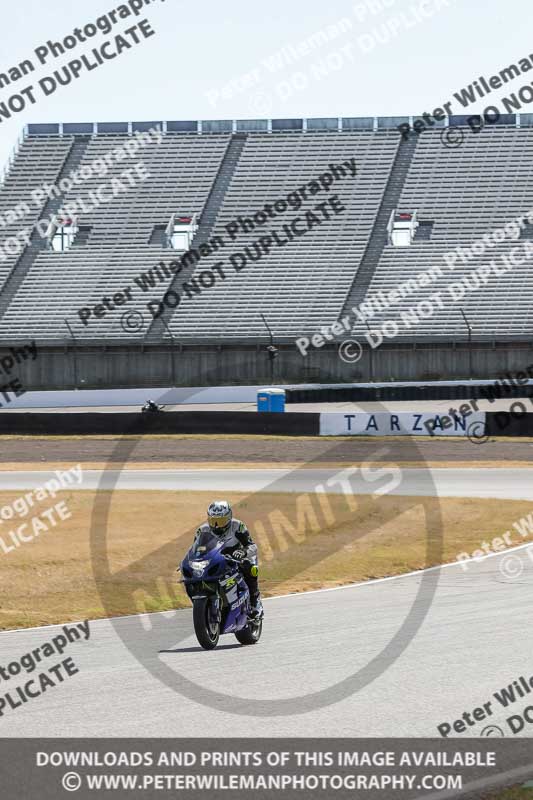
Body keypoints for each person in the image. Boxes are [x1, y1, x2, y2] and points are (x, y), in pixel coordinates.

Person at [196, 500, 263, 618]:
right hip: (215, 559)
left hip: (237, 559)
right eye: (213, 520)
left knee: (251, 568)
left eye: (220, 521)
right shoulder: (203, 530)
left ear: (229, 517)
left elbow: (252, 546)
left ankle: (255, 602)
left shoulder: (238, 526)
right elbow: (196, 549)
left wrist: (243, 552)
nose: (216, 525)